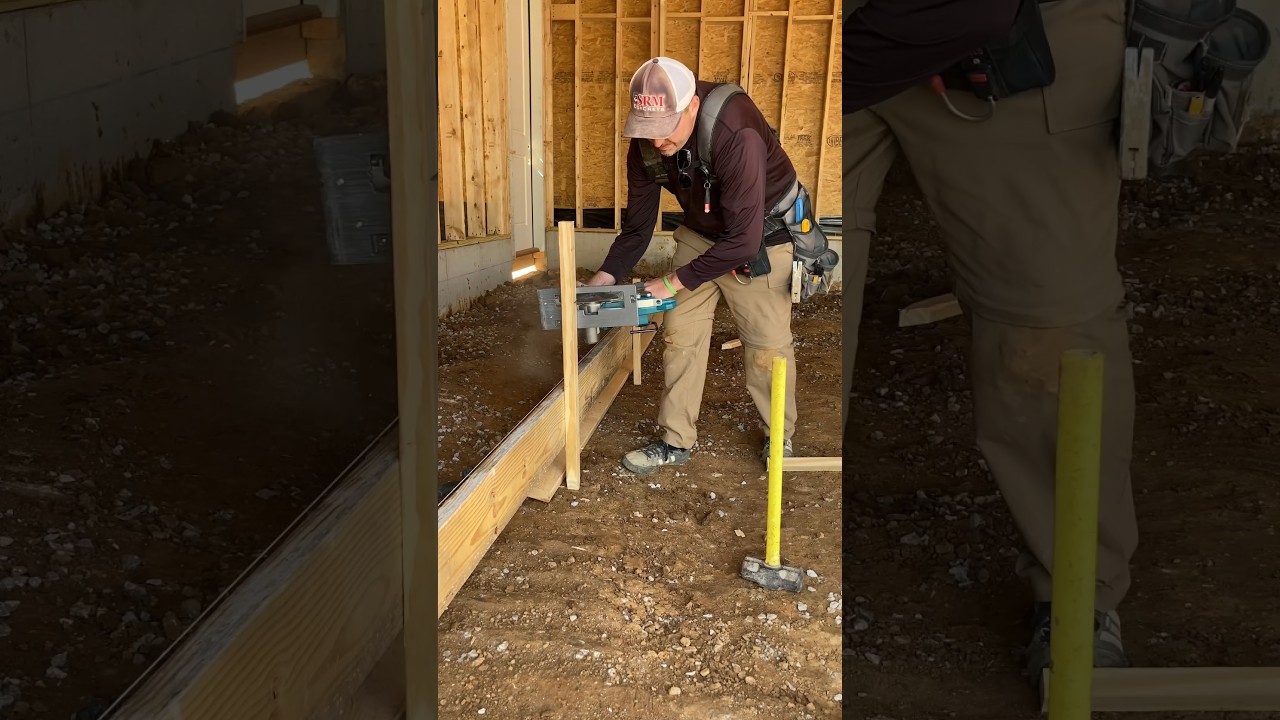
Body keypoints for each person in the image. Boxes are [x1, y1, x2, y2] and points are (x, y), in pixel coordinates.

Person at [843, 0, 1138, 683]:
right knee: (787, 278)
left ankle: (1077, 595)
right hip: (818, 35)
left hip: (1006, 31)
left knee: (1047, 327)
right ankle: (786, 508)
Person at [582, 57, 803, 475]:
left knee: (767, 348)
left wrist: (671, 282)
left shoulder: (736, 131)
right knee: (680, 337)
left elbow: (744, 239)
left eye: (666, 128)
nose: (658, 140)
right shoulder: (647, 143)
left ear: (693, 106)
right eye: (648, 129)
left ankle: (780, 435)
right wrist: (606, 278)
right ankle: (674, 440)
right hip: (701, 237)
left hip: (762, 240)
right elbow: (636, 229)